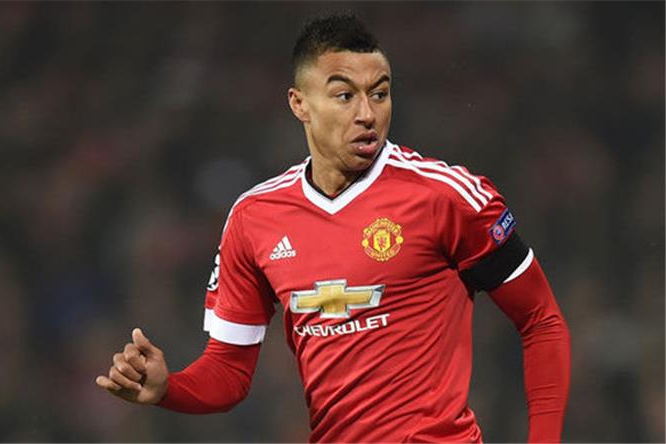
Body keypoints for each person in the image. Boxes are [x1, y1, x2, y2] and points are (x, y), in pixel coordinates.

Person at [95, 13, 571, 443]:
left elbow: (541, 320)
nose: (367, 114)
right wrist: (168, 389)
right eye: (345, 95)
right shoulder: (255, 218)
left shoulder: (446, 196)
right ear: (299, 103)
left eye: (379, 93)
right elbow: (228, 372)